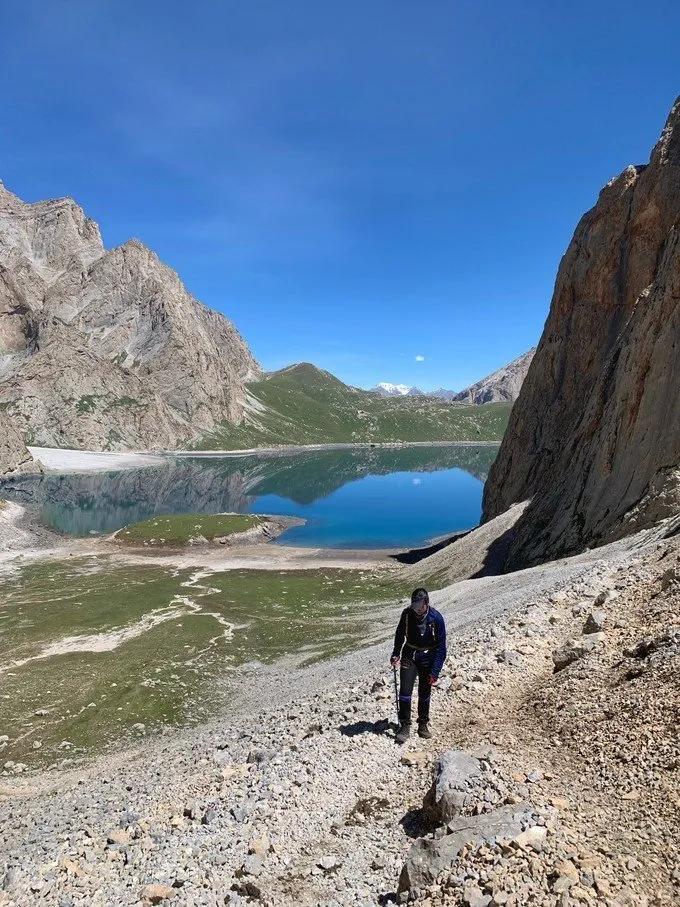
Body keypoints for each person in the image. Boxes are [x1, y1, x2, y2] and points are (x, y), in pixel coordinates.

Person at [390, 587, 446, 744]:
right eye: (413, 605)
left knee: (424, 691)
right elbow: (400, 634)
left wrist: (435, 672)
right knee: (405, 691)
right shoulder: (407, 614)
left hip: (428, 657)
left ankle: (422, 724)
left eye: (418, 606)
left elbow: (441, 648)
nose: (415, 609)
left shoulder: (436, 618)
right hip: (409, 654)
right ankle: (405, 725)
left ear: (426, 603)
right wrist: (396, 653)